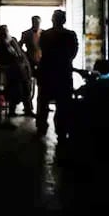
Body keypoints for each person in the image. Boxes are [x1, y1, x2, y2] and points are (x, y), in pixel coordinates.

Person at [36, 10, 79, 139]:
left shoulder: (45, 35)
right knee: (63, 103)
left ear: (52, 20)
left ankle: (42, 126)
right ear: (64, 20)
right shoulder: (70, 35)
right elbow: (73, 52)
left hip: (47, 72)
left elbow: (42, 49)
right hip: (63, 73)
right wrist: (65, 61)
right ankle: (61, 129)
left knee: (43, 100)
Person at [0, 25, 34, 117]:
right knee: (14, 90)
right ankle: (12, 111)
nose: (5, 33)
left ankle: (28, 109)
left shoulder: (13, 40)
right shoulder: (1, 44)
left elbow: (20, 53)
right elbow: (2, 59)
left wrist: (26, 66)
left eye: (5, 31)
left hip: (21, 69)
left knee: (26, 89)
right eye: (3, 32)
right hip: (12, 71)